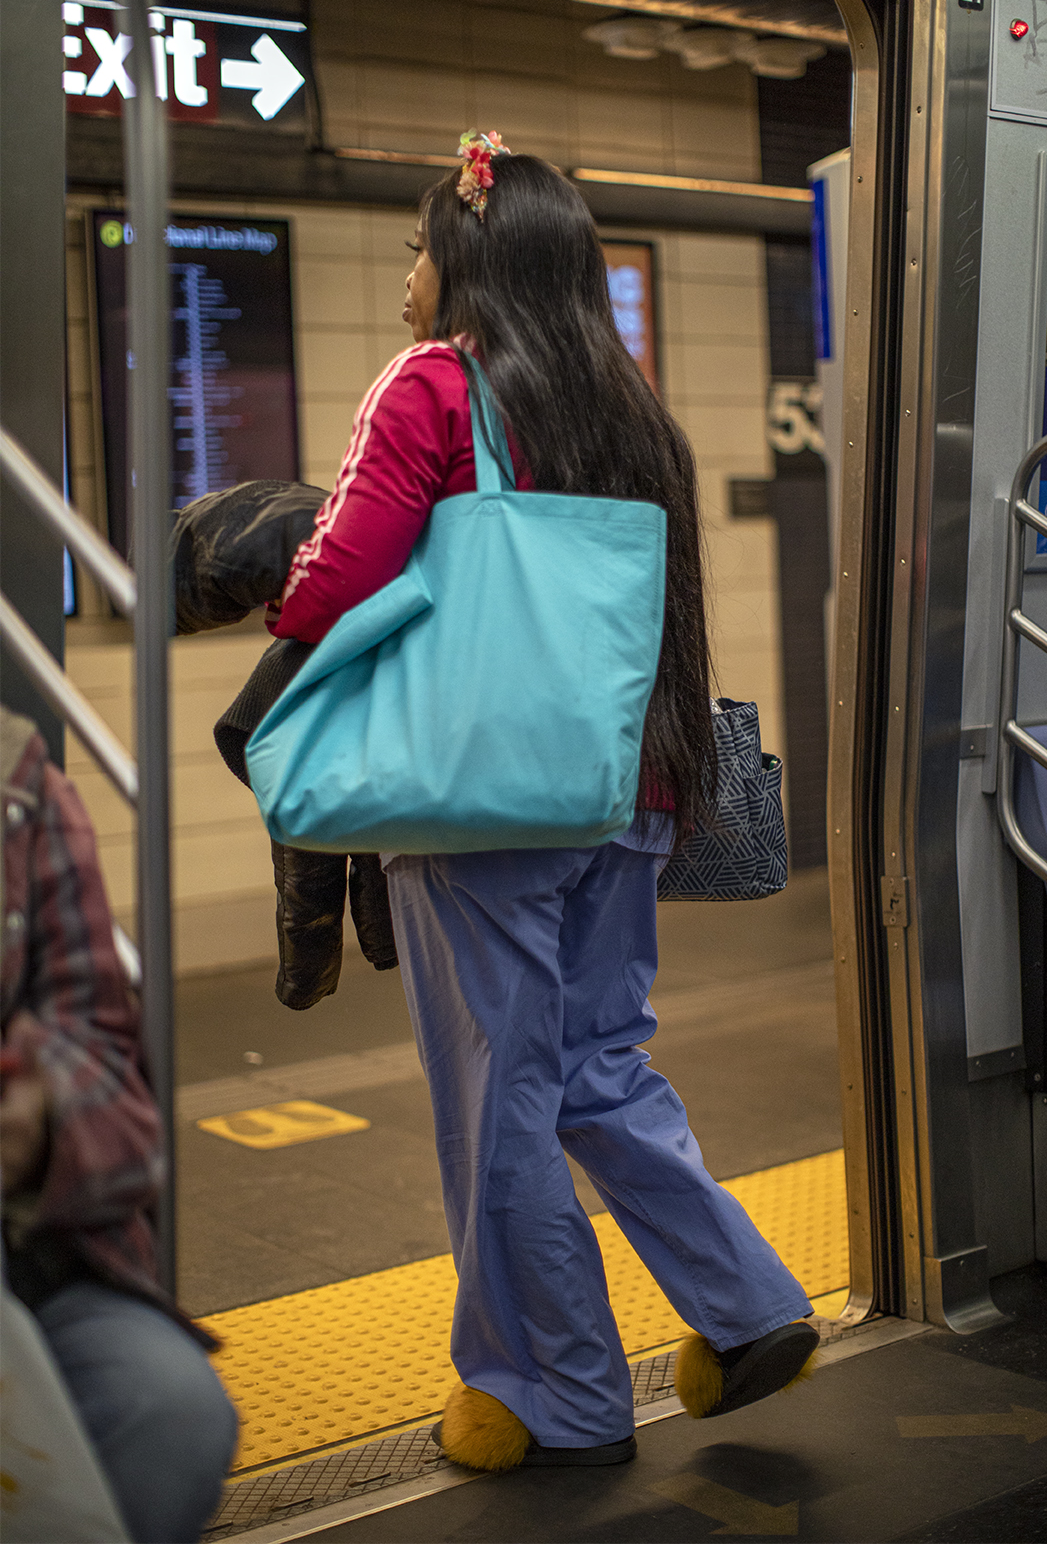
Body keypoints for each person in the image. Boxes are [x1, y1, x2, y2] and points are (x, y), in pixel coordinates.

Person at [268, 133, 818, 1470]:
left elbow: (335, 580)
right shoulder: (633, 411)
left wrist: (268, 568)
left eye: (417, 247)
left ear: (467, 255)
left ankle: (552, 1391)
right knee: (597, 1065)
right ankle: (748, 1305)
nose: (407, 274)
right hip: (629, 790)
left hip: (487, 806)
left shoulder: (430, 385)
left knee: (497, 1094)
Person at [1, 706, 238, 1541]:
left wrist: (42, 1118)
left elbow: (107, 1068)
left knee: (172, 1411)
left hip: (27, 1250)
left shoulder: (23, 791)